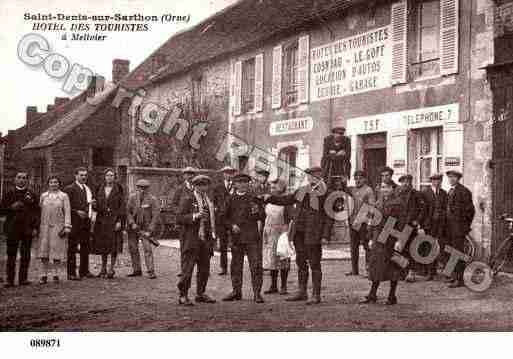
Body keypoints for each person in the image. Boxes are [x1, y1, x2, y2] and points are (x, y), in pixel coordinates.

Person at [264, 166, 333, 305]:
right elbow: (287, 200)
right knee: (300, 261)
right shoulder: (303, 190)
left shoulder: (326, 193)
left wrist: (325, 235)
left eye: (313, 176)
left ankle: (316, 294)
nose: (310, 178)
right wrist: (270, 198)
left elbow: (329, 216)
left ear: (320, 176)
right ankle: (302, 292)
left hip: (313, 232)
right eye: (309, 176)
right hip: (299, 232)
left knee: (314, 262)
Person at [223, 173, 266, 303]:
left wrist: (257, 211)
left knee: (256, 265)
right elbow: (223, 217)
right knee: (236, 265)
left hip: (252, 237)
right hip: (237, 237)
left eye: (245, 182)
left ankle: (257, 293)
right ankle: (236, 291)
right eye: (239, 182)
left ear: (248, 184)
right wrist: (231, 226)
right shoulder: (230, 199)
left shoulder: (254, 199)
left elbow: (262, 216)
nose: (242, 185)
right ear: (235, 184)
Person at [360, 181, 406, 305]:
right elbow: (371, 220)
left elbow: (402, 223)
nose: (384, 189)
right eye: (382, 187)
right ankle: (372, 294)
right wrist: (370, 238)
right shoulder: (378, 202)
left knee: (393, 267)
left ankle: (392, 296)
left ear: (392, 188)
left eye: (387, 187)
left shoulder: (398, 203)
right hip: (378, 237)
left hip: (391, 238)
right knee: (376, 266)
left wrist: (399, 240)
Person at [176, 175, 217, 305]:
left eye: (205, 185)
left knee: (204, 268)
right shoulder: (188, 199)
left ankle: (200, 293)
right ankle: (183, 295)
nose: (203, 188)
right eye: (200, 186)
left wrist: (213, 235)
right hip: (192, 239)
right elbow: (179, 218)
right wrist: (195, 216)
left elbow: (211, 220)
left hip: (205, 239)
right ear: (195, 186)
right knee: (188, 268)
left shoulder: (208, 200)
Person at [0, 171, 40, 287]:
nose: (22, 180)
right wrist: (11, 208)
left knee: (25, 254)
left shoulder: (32, 194)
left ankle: (23, 279)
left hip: (27, 228)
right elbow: (2, 211)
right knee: (11, 254)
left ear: (27, 180)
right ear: (15, 179)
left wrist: (35, 227)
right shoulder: (9, 194)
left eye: (24, 178)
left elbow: (36, 212)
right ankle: (10, 279)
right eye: (19, 177)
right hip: (12, 228)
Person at [91, 169, 125, 279]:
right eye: (107, 175)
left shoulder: (118, 189)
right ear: (104, 177)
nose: (109, 177)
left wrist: (119, 221)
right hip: (102, 221)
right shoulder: (99, 188)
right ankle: (103, 268)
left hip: (114, 220)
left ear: (114, 177)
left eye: (112, 175)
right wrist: (94, 205)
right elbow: (95, 205)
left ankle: (111, 268)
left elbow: (122, 206)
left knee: (113, 245)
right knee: (103, 245)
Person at [38, 176, 71, 284]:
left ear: (59, 184)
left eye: (56, 182)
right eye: (51, 182)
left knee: (57, 251)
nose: (53, 184)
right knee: (44, 251)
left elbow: (67, 212)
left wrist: (67, 226)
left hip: (58, 226)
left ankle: (56, 274)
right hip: (45, 227)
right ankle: (43, 274)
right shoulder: (43, 196)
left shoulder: (63, 196)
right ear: (48, 184)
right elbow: (39, 211)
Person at [262, 178, 292, 295]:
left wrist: (288, 234)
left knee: (283, 258)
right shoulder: (268, 201)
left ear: (281, 188)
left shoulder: (286, 201)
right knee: (272, 259)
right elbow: (264, 216)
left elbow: (290, 219)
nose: (272, 189)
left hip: (282, 232)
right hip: (270, 231)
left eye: (274, 187)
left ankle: (283, 286)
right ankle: (273, 285)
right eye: (271, 187)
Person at [64, 167, 94, 280]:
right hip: (74, 222)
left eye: (85, 175)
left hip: (85, 222)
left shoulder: (87, 189)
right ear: (75, 175)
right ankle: (71, 273)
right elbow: (65, 207)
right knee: (72, 247)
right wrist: (76, 212)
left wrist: (91, 205)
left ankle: (84, 271)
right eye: (81, 175)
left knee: (85, 246)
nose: (83, 177)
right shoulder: (70, 189)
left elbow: (88, 204)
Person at [446, 170, 475, 288]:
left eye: (454, 177)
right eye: (450, 177)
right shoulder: (451, 191)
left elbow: (470, 211)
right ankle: (454, 276)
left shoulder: (464, 191)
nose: (451, 179)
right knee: (452, 251)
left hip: (459, 228)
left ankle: (460, 279)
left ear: (458, 178)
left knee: (458, 252)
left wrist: (464, 226)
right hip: (450, 227)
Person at [127, 179, 160, 279]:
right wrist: (132, 223)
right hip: (133, 228)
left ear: (148, 188)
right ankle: (136, 269)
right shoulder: (132, 198)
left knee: (147, 249)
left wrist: (150, 230)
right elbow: (127, 211)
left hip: (145, 229)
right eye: (140, 188)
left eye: (145, 188)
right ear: (137, 188)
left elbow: (155, 216)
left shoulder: (152, 199)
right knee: (133, 248)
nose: (142, 190)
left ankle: (151, 271)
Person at [395, 174, 425, 283]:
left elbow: (422, 209)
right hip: (400, 226)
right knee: (400, 249)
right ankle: (403, 271)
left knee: (411, 249)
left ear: (411, 183)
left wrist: (418, 220)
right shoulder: (398, 194)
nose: (406, 184)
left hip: (410, 226)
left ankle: (411, 272)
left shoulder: (416, 194)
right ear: (401, 183)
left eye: (408, 181)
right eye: (403, 182)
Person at [420, 173, 448, 281]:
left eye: (439, 180)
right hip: (429, 225)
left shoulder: (443, 193)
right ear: (431, 181)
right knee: (429, 247)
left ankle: (442, 270)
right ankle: (430, 272)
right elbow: (422, 210)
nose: (437, 182)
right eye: (434, 180)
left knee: (441, 247)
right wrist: (421, 225)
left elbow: (445, 208)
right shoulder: (425, 192)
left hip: (441, 225)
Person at [348, 170, 375, 277]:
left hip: (363, 222)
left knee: (366, 246)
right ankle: (354, 270)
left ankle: (369, 270)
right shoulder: (352, 190)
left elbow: (372, 207)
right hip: (353, 222)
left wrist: (369, 222)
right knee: (353, 246)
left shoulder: (368, 190)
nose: (358, 180)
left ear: (365, 179)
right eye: (356, 178)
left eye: (360, 178)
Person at [172, 166, 197, 277]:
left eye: (191, 174)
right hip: (184, 223)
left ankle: (199, 269)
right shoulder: (180, 189)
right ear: (184, 176)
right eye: (187, 174)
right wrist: (179, 216)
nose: (190, 176)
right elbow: (174, 205)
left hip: (197, 222)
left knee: (198, 246)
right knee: (184, 247)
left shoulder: (198, 188)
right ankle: (184, 269)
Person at [212, 165, 237, 276]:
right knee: (222, 244)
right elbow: (213, 201)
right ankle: (223, 267)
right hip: (221, 219)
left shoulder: (236, 186)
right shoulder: (218, 187)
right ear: (223, 174)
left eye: (231, 173)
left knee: (235, 243)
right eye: (226, 173)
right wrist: (217, 209)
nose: (229, 175)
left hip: (233, 218)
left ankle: (235, 266)